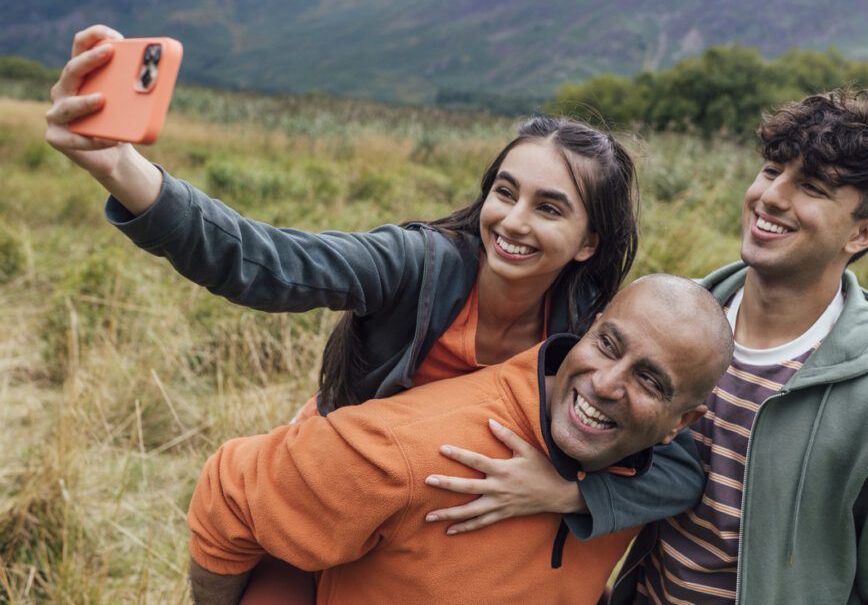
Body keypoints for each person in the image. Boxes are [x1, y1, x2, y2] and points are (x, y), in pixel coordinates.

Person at [44, 27, 705, 558]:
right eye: (505, 192)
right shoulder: (417, 263)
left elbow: (680, 468)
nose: (513, 220)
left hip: (438, 527)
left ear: (589, 241)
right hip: (342, 488)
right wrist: (122, 169)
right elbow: (269, 261)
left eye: (549, 208)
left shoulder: (593, 333)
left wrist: (568, 494)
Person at [187, 275, 734, 604]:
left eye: (649, 380)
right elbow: (228, 494)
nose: (608, 384)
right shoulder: (407, 450)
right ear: (586, 331)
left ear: (678, 425)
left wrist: (575, 497)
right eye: (609, 345)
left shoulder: (641, 468)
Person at [610, 89, 868, 604]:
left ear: (862, 233)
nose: (771, 197)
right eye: (772, 170)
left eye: (811, 187)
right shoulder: (673, 328)